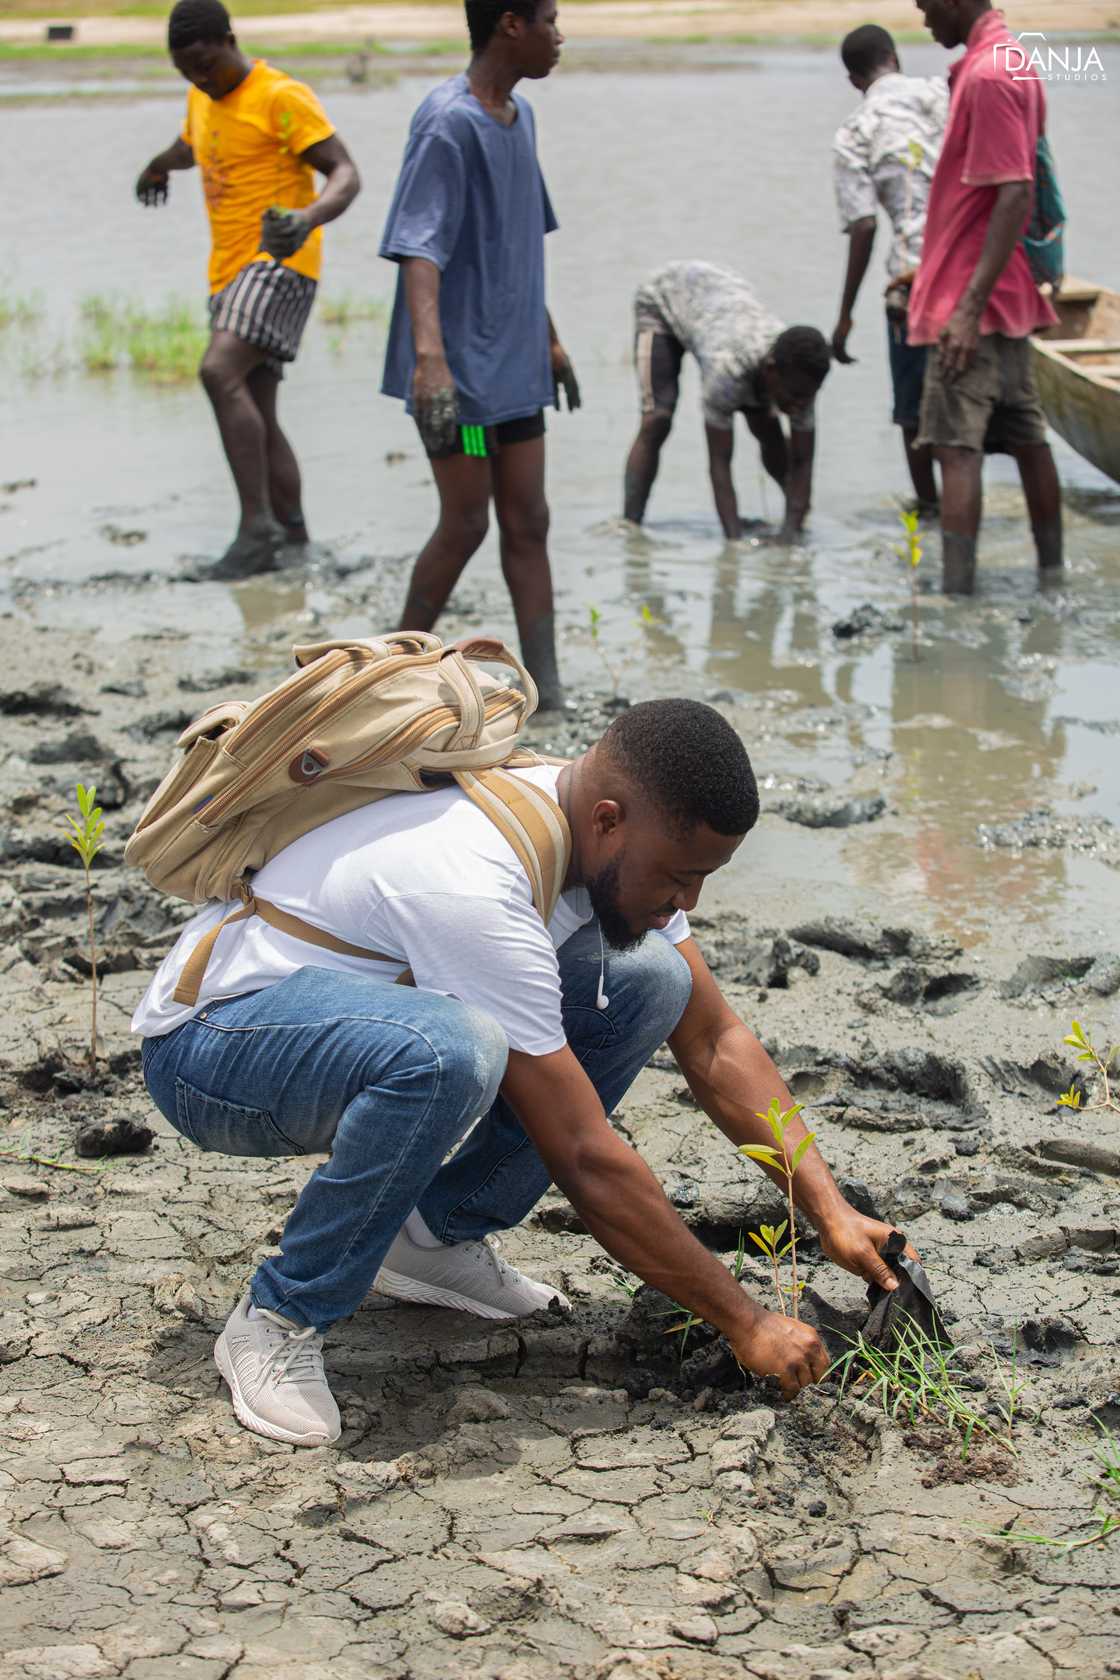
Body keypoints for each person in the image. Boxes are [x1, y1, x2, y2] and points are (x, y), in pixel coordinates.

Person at [134, 698, 909, 1448]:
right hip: (215, 1050)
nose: (689, 899)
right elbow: (582, 1153)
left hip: (349, 1014)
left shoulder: (594, 823)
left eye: (704, 877)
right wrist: (746, 1322)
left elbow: (713, 1040)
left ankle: (430, 1240)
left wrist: (828, 1209)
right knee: (448, 1052)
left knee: (653, 984)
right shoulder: (474, 885)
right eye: (678, 876)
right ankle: (280, 1316)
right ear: (608, 821)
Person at [380, 0, 580, 712]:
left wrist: (549, 338)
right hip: (462, 385)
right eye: (550, 20)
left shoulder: (520, 120)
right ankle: (386, 669)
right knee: (467, 520)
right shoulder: (447, 122)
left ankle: (550, 691)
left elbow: (519, 239)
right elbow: (418, 248)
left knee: (530, 519)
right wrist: (431, 361)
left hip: (518, 370)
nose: (560, 35)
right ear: (510, 25)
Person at [136, 0, 360, 579]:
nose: (200, 79)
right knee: (258, 405)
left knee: (218, 371)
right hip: (228, 271)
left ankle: (254, 529)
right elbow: (192, 146)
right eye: (187, 71)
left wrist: (308, 217)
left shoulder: (280, 96)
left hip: (282, 260)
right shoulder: (200, 97)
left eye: (206, 65)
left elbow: (345, 172)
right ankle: (292, 535)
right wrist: (157, 166)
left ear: (231, 40)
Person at [908, 0, 1062, 594]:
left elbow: (1016, 193)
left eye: (925, 5)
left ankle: (956, 600)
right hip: (1005, 289)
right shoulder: (1010, 61)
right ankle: (1052, 579)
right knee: (1027, 438)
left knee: (955, 452)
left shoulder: (991, 73)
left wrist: (965, 308)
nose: (923, 18)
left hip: (972, 301)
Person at [622, 262, 831, 544]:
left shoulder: (802, 374)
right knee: (658, 417)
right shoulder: (727, 372)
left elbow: (803, 461)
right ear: (771, 370)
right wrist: (734, 544)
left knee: (766, 427)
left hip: (727, 307)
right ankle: (630, 526)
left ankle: (797, 522)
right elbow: (720, 464)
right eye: (793, 398)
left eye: (806, 398)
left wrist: (790, 534)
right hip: (663, 301)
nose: (798, 406)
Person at [831, 23, 949, 516]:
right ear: (895, 57)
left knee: (913, 411)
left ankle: (929, 507)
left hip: (912, 278)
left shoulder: (854, 132)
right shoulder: (943, 92)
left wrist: (845, 316)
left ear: (854, 79)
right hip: (972, 262)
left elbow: (862, 227)